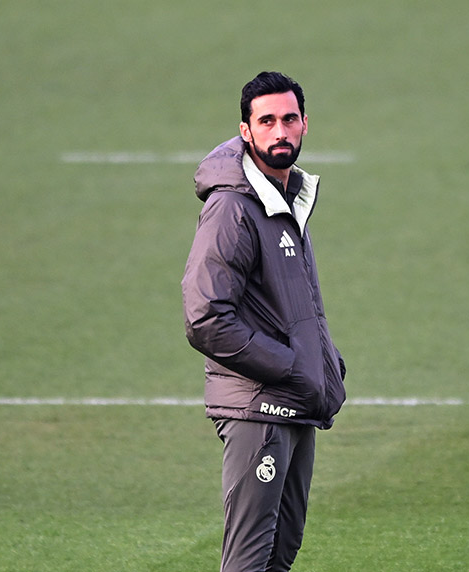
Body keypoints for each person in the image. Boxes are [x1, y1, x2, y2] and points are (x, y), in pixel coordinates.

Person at [181, 71, 347, 572]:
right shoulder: (232, 207)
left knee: (280, 555)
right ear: (246, 130)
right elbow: (206, 316)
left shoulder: (286, 197)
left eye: (289, 119)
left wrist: (323, 363)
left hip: (295, 402)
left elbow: (291, 307)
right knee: (249, 560)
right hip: (259, 407)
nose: (280, 131)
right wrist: (291, 366)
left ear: (305, 124)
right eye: (267, 121)